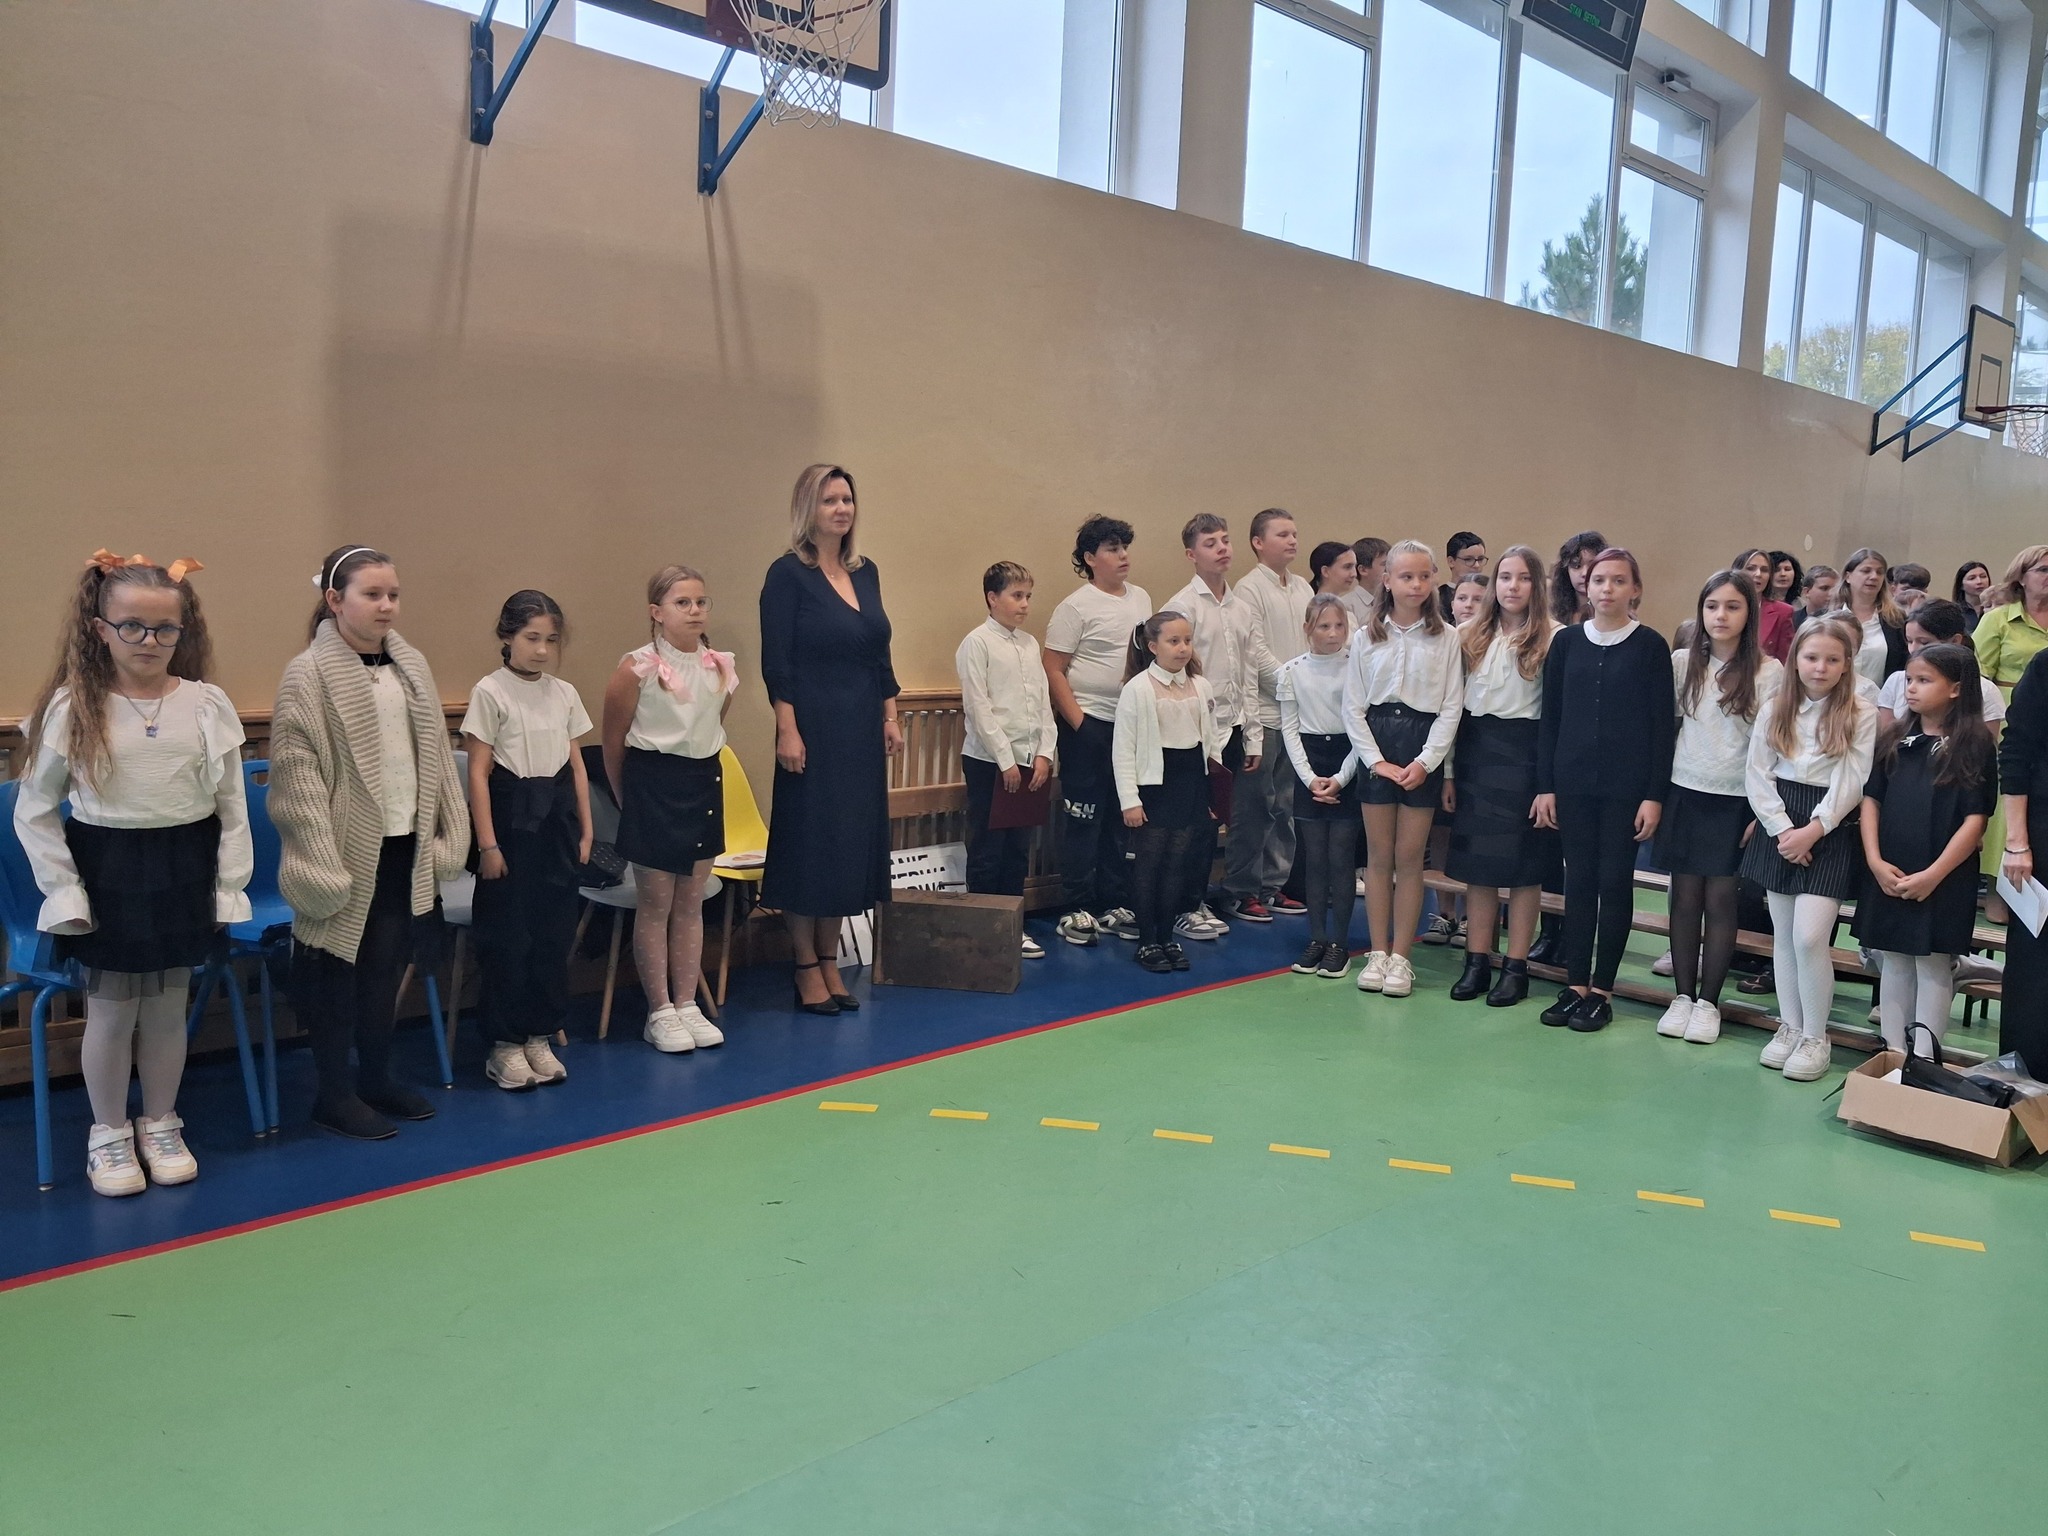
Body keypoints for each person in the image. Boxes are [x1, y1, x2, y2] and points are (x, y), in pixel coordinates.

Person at [14, 552, 249, 1195]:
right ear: (101, 629)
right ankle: (109, 1133)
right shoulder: (75, 707)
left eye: (164, 628)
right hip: (108, 869)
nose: (149, 640)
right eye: (132, 626)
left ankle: (161, 1122)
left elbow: (232, 807)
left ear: (182, 631)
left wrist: (229, 886)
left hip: (184, 865)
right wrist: (64, 889)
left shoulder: (205, 704)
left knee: (168, 1006)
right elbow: (34, 809)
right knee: (113, 1011)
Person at [272, 546, 470, 1140]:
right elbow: (296, 773)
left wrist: (448, 830)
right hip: (342, 853)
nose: (386, 606)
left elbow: (435, 756)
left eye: (393, 595)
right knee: (337, 974)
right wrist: (318, 859)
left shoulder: (411, 666)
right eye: (372, 594)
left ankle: (376, 1078)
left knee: (385, 968)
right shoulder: (307, 673)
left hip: (403, 842)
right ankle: (333, 1094)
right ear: (335, 600)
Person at [759, 464, 901, 1014]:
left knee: (847, 845)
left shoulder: (866, 572)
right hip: (812, 729)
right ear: (808, 509)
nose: (842, 509)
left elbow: (878, 651)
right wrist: (787, 730)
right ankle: (803, 965)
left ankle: (828, 960)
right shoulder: (787, 575)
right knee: (811, 846)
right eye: (829, 501)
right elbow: (778, 662)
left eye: (847, 499)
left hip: (860, 728)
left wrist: (890, 714)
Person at [1534, 548, 1674, 1032]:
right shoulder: (1567, 642)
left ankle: (1603, 990)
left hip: (1625, 789)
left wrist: (1654, 795)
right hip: (1572, 784)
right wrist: (1546, 785)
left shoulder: (1650, 646)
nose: (1607, 589)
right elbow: (1551, 718)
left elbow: (1661, 728)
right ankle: (1575, 984)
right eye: (1599, 580)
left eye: (1618, 580)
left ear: (1635, 589)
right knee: (1578, 882)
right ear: (1586, 587)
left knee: (1614, 883)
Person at [462, 590, 593, 1089]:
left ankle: (540, 1032)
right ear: (508, 636)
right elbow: (478, 774)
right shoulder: (490, 692)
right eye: (531, 638)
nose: (541, 650)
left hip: (557, 827)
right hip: (511, 828)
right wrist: (488, 845)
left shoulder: (564, 693)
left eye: (550, 640)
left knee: (552, 935)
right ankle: (504, 1043)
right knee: (508, 938)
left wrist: (586, 829)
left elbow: (576, 766)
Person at [1741, 617, 1877, 1083]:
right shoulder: (1774, 707)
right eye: (1812, 657)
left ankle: (1817, 1037)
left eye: (1832, 660)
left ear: (1846, 665)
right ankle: (1791, 1026)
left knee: (1809, 937)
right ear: (1795, 659)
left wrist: (1814, 830)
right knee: (1783, 936)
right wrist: (1783, 830)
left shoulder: (1860, 711)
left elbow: (1853, 779)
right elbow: (1757, 774)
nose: (1820, 667)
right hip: (1779, 819)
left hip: (1829, 824)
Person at [604, 566, 733, 1046]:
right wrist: (630, 802)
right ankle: (658, 1009)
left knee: (691, 904)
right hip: (652, 788)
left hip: (702, 784)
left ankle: (687, 1003)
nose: (695, 611)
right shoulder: (636, 668)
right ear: (657, 612)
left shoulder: (720, 666)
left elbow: (712, 723)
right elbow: (613, 742)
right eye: (682, 603)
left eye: (701, 602)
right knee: (656, 905)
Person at [1653, 571, 1781, 1046]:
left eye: (1732, 606)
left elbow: (1771, 750)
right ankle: (1683, 996)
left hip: (1737, 800)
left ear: (1750, 614)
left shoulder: (1770, 672)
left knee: (1722, 900)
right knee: (1684, 898)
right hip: (1685, 792)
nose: (1720, 616)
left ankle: (1709, 1002)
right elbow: (1666, 729)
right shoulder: (1682, 662)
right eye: (1712, 606)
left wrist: (1760, 812)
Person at [1854, 645, 1995, 1053]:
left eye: (1924, 680)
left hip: (1942, 875)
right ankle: (1893, 1053)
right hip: (1891, 868)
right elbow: (1871, 800)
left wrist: (1934, 875)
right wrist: (1875, 861)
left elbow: (1975, 819)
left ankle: (1925, 1059)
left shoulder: (1975, 745)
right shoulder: (1895, 737)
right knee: (1894, 959)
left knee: (1933, 963)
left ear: (1955, 688)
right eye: (1910, 679)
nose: (1911, 688)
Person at [1343, 540, 1463, 1000]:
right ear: (1387, 580)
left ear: (1433, 580)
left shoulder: (1447, 637)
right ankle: (1376, 952)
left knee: (1411, 857)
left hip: (1421, 746)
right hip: (1377, 742)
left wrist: (1425, 762)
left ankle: (1401, 956)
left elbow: (1451, 707)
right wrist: (1374, 760)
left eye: (1424, 576)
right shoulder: (1365, 635)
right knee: (1378, 856)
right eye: (1406, 576)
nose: (1416, 584)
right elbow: (1353, 706)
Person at [1443, 546, 1555, 1007]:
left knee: (1525, 870)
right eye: (1505, 577)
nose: (1513, 586)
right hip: (1476, 752)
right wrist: (1449, 772)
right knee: (1479, 867)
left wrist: (1548, 784)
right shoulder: (1467, 634)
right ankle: (1476, 961)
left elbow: (1556, 719)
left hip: (1526, 756)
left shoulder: (1554, 637)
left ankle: (1516, 966)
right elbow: (1451, 710)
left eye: (1523, 578)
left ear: (1537, 586)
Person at [1044, 516, 1149, 948]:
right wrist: (1080, 724)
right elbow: (1053, 668)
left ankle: (1113, 902)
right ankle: (1076, 906)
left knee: (1121, 818)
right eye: (1111, 549)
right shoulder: (1075, 607)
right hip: (1088, 726)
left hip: (1130, 726)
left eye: (1124, 547)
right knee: (1083, 818)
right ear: (1090, 558)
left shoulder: (1141, 599)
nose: (1122, 556)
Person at [957, 560, 1057, 958]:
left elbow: (1042, 704)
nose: (1025, 604)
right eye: (1017, 596)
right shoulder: (977, 642)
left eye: (1028, 596)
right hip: (989, 762)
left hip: (1029, 762)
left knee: (1018, 849)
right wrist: (1005, 760)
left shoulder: (1029, 644)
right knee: (988, 848)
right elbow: (979, 707)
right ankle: (986, 930)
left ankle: (1014, 926)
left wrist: (1045, 753)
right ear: (992, 598)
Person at [1112, 612, 1223, 974]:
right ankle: (1147, 940)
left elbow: (1212, 743)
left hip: (1190, 783)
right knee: (1150, 864)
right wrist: (1130, 800)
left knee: (1178, 863)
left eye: (1187, 640)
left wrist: (1214, 794)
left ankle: (1167, 936)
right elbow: (1123, 749)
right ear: (1153, 646)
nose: (1182, 648)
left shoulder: (1200, 686)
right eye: (1173, 641)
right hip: (1155, 786)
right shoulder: (1138, 689)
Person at [1168, 514, 1263, 930]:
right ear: (1192, 554)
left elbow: (1249, 674)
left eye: (1225, 540)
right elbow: (1173, 674)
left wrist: (1253, 736)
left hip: (1233, 728)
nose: (1222, 548)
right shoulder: (1181, 607)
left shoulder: (1242, 608)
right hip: (1194, 733)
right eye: (1211, 543)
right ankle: (1182, 906)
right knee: (1192, 823)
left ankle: (1200, 901)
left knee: (1218, 820)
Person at [1231, 509, 1313, 919]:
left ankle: (1274, 885)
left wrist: (1311, 684)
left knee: (1285, 805)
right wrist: (1290, 683)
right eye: (1282, 534)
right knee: (1255, 807)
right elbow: (1256, 650)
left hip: (1297, 716)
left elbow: (1315, 639)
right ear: (1258, 542)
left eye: (1294, 533)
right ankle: (1242, 890)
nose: (1292, 540)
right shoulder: (1248, 589)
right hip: (1263, 714)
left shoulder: (1302, 588)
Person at [1279, 596, 1361, 978]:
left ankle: (1340, 943)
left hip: (1348, 759)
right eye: (1324, 626)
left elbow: (1362, 729)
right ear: (1307, 629)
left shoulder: (1357, 667)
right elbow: (1290, 729)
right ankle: (1316, 937)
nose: (1333, 633)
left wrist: (1342, 778)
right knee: (1314, 859)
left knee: (1341, 858)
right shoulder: (1291, 672)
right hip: (1310, 765)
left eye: (1339, 626)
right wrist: (1310, 778)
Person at [1996, 646, 2048, 1074]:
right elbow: (2015, 754)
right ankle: (2027, 1082)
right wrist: (2017, 842)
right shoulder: (2045, 666)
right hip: (2042, 836)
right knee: (2035, 968)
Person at [1877, 599, 2005, 726]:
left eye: (1924, 642)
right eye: (1909, 641)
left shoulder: (1986, 690)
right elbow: (1888, 734)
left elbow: (1986, 737)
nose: (1914, 649)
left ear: (1955, 641)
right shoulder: (1896, 681)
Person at [1837, 547, 1909, 685]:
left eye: (1879, 572)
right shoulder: (1828, 617)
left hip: (1881, 696)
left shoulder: (1896, 620)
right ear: (1848, 576)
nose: (1874, 577)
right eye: (1866, 571)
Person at [1734, 548, 1796, 662]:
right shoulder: (1722, 607)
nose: (1758, 574)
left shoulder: (1783, 612)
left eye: (1764, 570)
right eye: (1750, 568)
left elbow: (1785, 660)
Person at [1549, 530, 1608, 625]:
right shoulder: (1553, 615)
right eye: (1576, 566)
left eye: (1592, 565)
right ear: (1566, 570)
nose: (1585, 573)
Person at [1439, 532, 1488, 620]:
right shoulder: (1438, 598)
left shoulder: (1491, 594)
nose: (1476, 565)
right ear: (1451, 561)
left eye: (1480, 559)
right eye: (1468, 559)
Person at [1351, 537, 1390, 619]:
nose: (1390, 568)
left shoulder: (1393, 602)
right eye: (1384, 564)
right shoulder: (1347, 606)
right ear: (1363, 570)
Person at [1952, 561, 1992, 630]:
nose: (1979, 581)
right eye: (1972, 578)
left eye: (1983, 576)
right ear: (1961, 585)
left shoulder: (1997, 608)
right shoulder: (1954, 612)